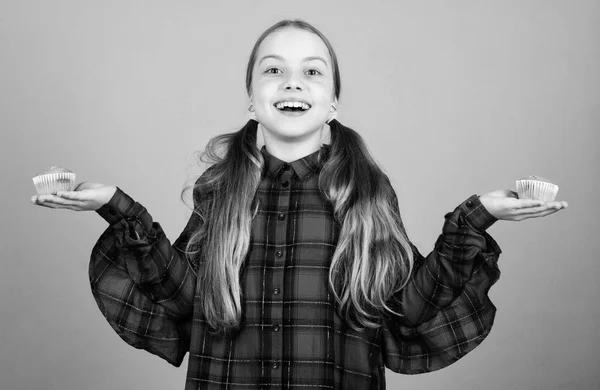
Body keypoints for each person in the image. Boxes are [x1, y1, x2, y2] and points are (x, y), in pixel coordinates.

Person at [31, 19, 568, 390]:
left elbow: (408, 308)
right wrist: (117, 208)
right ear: (252, 98)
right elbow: (184, 299)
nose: (292, 81)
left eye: (312, 71)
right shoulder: (218, 192)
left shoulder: (367, 194)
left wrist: (478, 217)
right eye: (273, 69)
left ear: (333, 101)